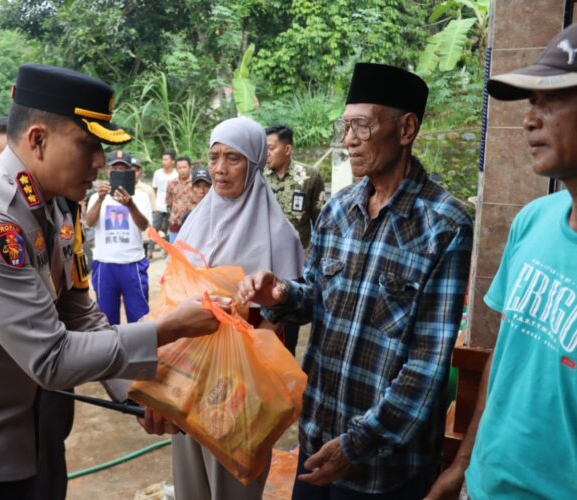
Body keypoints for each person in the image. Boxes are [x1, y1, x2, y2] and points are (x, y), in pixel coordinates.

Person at [0, 64, 220, 499]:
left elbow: (79, 312)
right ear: (38, 140)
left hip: (22, 429)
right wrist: (169, 327)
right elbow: (51, 357)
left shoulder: (53, 206)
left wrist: (134, 393)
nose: (100, 161)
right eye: (88, 145)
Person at [238, 63, 473, 499]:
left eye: (361, 126)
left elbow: (427, 363)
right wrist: (282, 294)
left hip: (382, 464)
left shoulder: (444, 224)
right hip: (317, 434)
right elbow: (317, 298)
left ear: (406, 129)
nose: (347, 140)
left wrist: (358, 442)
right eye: (344, 126)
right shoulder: (338, 210)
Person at [426, 24, 577, 500]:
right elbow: (505, 354)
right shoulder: (534, 220)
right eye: (530, 103)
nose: (529, 120)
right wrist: (464, 465)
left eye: (549, 101)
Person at [139, 116, 305, 500]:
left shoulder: (278, 234)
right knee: (190, 479)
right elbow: (172, 292)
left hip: (241, 388)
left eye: (233, 158)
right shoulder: (198, 220)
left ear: (254, 163)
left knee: (233, 484)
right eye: (214, 157)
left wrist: (252, 313)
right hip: (186, 379)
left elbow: (288, 320)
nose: (219, 168)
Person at [264, 124, 326, 355]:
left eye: (271, 148)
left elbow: (320, 222)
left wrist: (312, 262)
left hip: (295, 266)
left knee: (289, 325)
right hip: (263, 262)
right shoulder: (258, 177)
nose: (266, 154)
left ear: (287, 148)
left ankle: (286, 368)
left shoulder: (309, 176)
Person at [85, 149, 153, 325]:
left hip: (133, 263)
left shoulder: (141, 197)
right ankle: (113, 351)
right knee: (106, 316)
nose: (119, 172)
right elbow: (90, 223)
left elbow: (144, 226)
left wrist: (130, 205)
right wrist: (100, 199)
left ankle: (139, 351)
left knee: (139, 316)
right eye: (115, 169)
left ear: (130, 171)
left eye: (124, 169)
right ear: (108, 171)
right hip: (105, 264)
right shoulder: (97, 196)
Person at [150, 149, 178, 252]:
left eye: (166, 159)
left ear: (173, 161)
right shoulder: (158, 173)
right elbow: (155, 189)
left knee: (167, 228)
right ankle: (150, 250)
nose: (164, 162)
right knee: (154, 227)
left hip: (171, 206)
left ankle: (166, 249)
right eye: (163, 159)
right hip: (158, 205)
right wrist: (153, 204)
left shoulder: (176, 174)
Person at [131, 155, 157, 259]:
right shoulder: (118, 188)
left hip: (142, 235)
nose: (133, 173)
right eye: (129, 170)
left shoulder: (147, 190)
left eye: (135, 170)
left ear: (140, 172)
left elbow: (153, 212)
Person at [165, 155, 195, 244]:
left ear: (190, 167)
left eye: (184, 167)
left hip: (192, 222)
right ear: (176, 169)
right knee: (175, 250)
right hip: (175, 222)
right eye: (179, 168)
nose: (182, 170)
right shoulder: (171, 184)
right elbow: (169, 202)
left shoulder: (195, 183)